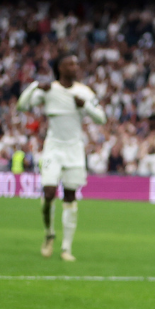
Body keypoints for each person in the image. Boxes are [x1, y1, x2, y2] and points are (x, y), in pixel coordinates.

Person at [16, 54, 107, 263]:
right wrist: (35, 87)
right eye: (70, 63)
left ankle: (66, 247)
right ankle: (49, 233)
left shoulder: (84, 92)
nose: (75, 66)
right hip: (52, 149)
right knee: (48, 193)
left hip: (75, 150)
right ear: (60, 68)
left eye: (76, 63)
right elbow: (22, 107)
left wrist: (85, 105)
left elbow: (101, 117)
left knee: (70, 196)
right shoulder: (50, 90)